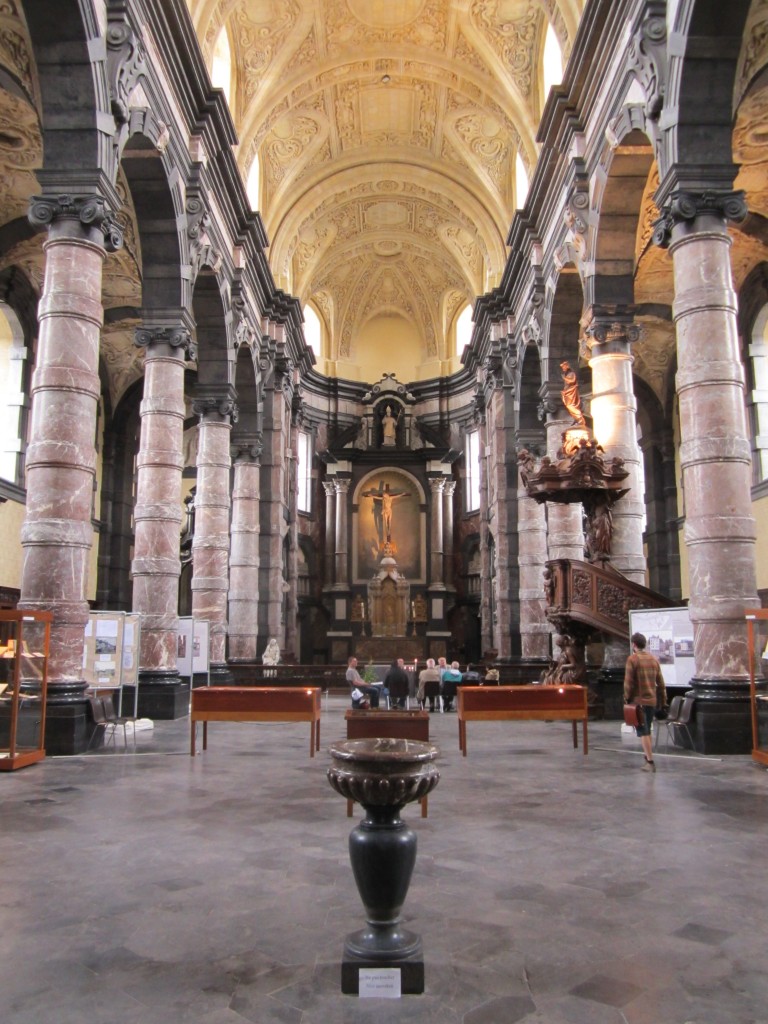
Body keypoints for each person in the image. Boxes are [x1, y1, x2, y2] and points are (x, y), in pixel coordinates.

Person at [624, 632, 667, 772]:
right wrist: (663, 701)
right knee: (647, 729)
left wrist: (626, 698)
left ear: (634, 645)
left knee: (643, 731)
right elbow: (661, 683)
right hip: (652, 701)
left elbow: (628, 682)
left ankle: (650, 761)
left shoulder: (633, 659)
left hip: (639, 701)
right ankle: (647, 757)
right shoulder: (654, 659)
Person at [560, 360, 587, 428]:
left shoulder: (571, 373)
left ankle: (580, 419)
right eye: (562, 367)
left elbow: (572, 381)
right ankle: (577, 419)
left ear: (567, 366)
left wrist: (565, 378)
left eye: (564, 366)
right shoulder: (566, 374)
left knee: (570, 405)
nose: (563, 368)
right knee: (568, 405)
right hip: (567, 391)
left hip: (571, 391)